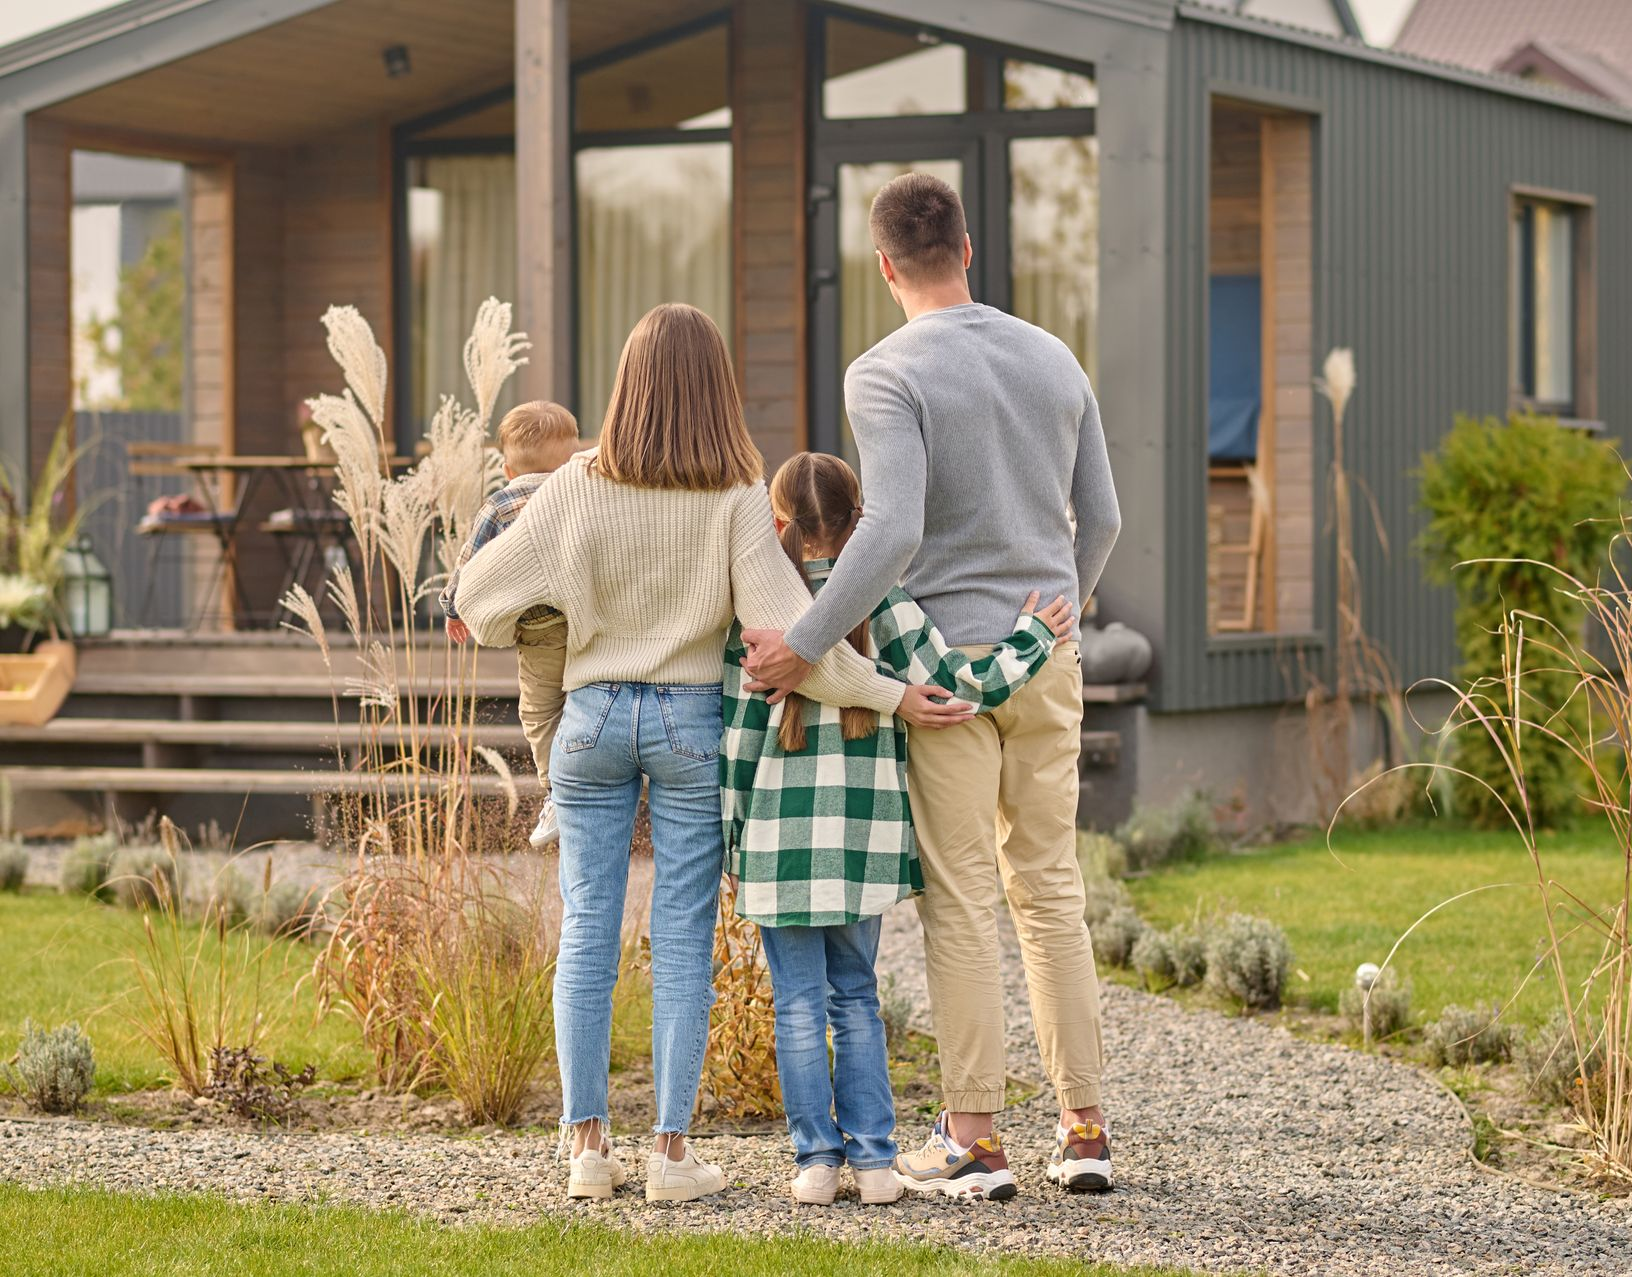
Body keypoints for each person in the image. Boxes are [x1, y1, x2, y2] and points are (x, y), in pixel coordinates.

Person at [452, 303, 970, 1205]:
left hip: (589, 717)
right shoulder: (735, 497)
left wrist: (557, 618)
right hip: (691, 725)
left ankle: (585, 1149)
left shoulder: (573, 484)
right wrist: (893, 694)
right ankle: (669, 1156)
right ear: (716, 389)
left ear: (626, 384)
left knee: (586, 928)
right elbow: (794, 644)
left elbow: (476, 597)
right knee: (683, 937)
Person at [740, 173, 1122, 1197]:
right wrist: (1056, 625)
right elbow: (1107, 516)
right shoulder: (1054, 356)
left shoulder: (884, 371)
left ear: (882, 266)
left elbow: (894, 525)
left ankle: (976, 1141)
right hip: (1045, 657)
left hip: (942, 676)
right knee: (1051, 892)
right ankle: (1084, 1129)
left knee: (960, 903)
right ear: (966, 245)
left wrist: (804, 640)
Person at [723, 451, 1074, 1206]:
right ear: (863, 525)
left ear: (776, 523)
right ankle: (878, 1162)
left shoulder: (758, 608)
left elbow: (737, 737)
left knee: (795, 1004)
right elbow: (957, 685)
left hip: (779, 849)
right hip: (865, 842)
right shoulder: (884, 601)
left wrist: (734, 838)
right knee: (856, 995)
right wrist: (1032, 637)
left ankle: (816, 1162)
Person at [439, 400, 580, 848]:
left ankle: (558, 792)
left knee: (539, 711)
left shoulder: (501, 505)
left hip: (540, 630)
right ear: (573, 456)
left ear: (507, 469)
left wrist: (452, 606)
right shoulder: (584, 492)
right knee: (584, 702)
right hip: (592, 620)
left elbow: (469, 564)